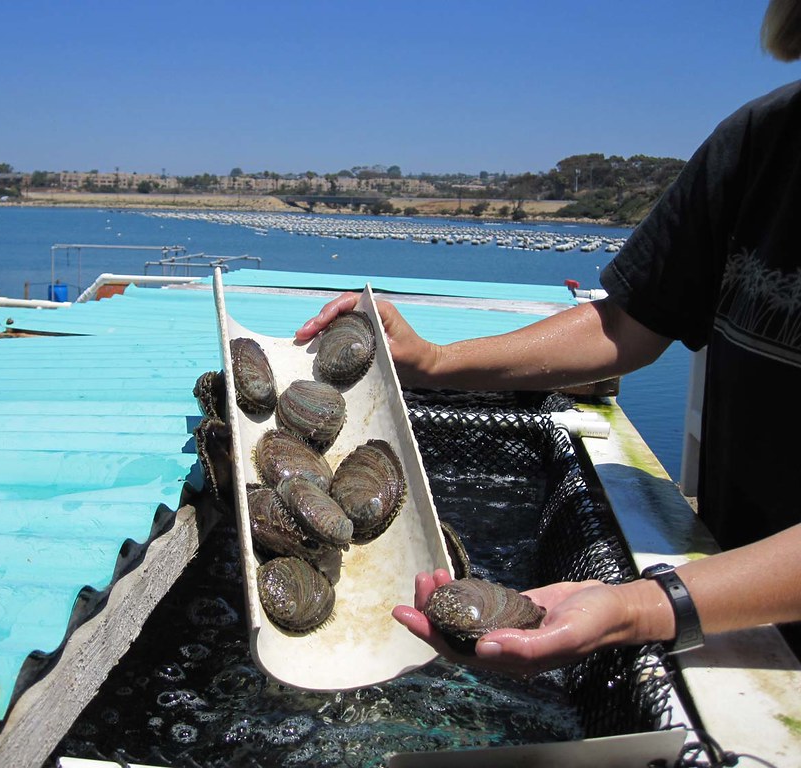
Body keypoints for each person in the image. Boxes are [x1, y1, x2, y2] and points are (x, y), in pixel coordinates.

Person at [295, 0, 801, 675]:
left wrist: (643, 606)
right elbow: (625, 325)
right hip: (730, 608)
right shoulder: (763, 143)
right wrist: (432, 360)